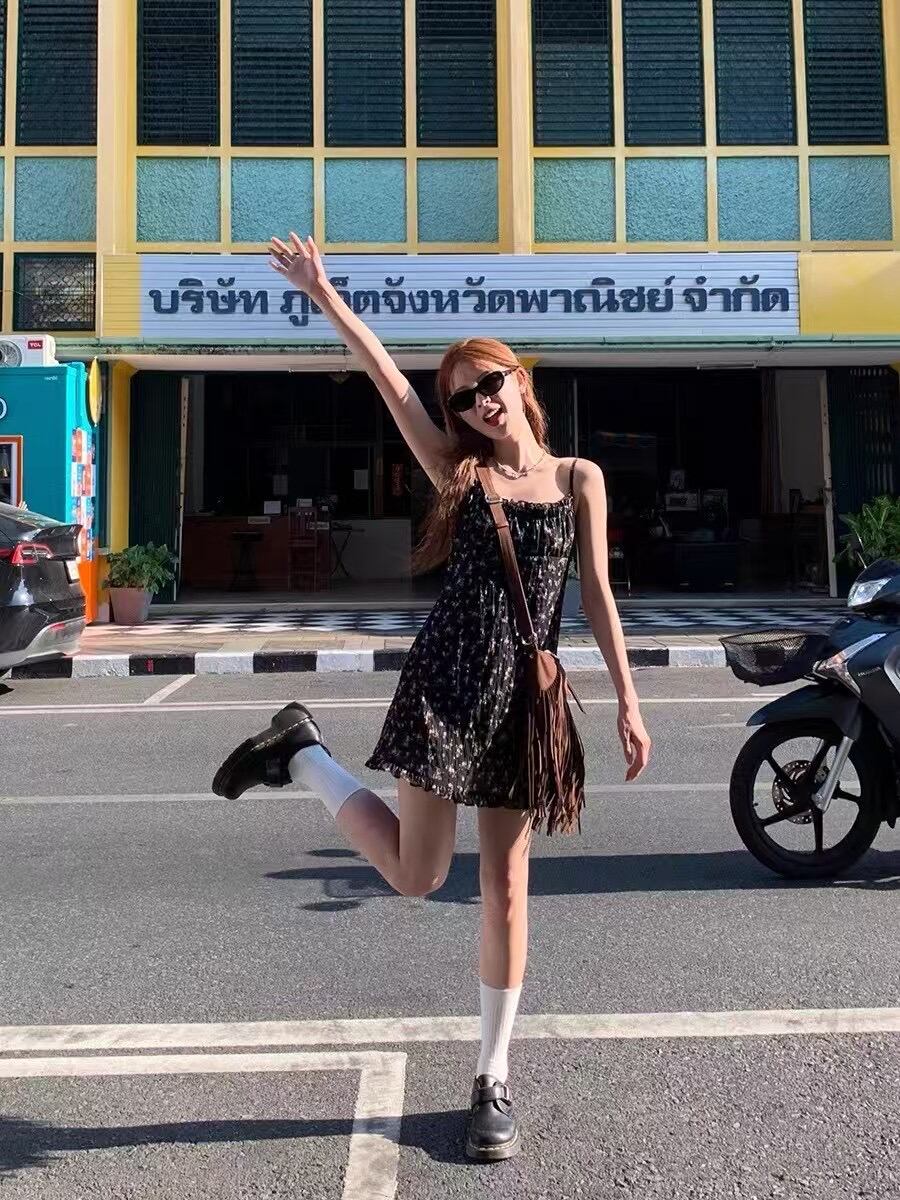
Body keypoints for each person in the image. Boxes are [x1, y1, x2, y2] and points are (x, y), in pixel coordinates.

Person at [213, 233, 652, 1162]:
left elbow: (598, 595)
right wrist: (325, 295)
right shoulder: (461, 471)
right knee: (419, 877)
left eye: (489, 382)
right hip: (449, 686)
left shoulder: (580, 478)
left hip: (526, 702)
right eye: (461, 396)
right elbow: (387, 378)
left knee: (505, 889)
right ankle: (304, 755)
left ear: (519, 380)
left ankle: (492, 1076)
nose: (479, 402)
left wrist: (627, 699)